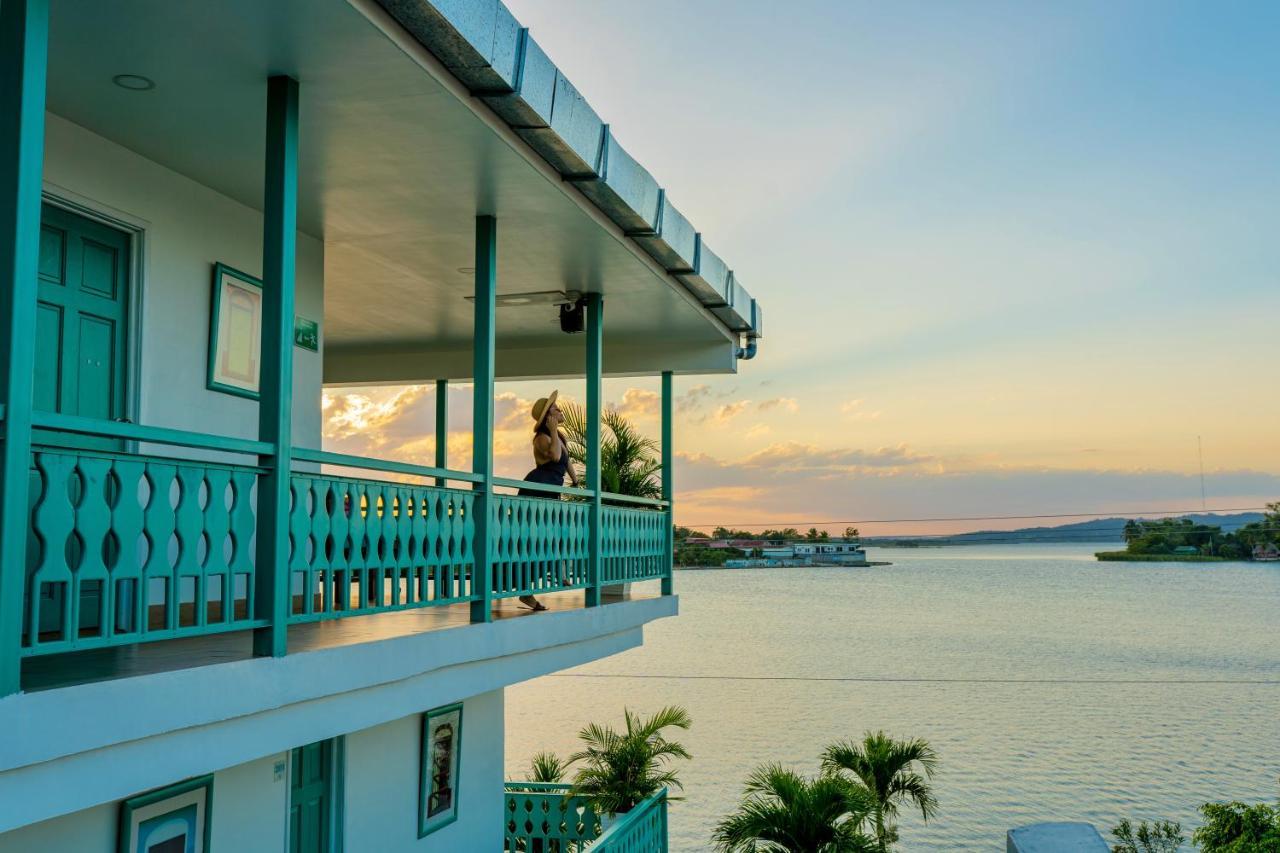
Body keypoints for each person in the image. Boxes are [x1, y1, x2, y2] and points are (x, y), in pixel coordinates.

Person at [516, 391, 580, 611]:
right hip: (538, 490)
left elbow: (565, 459)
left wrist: (576, 480)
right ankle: (527, 590)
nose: (560, 410)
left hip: (552, 490)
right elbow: (553, 457)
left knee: (556, 535)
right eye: (555, 408)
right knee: (535, 541)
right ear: (547, 417)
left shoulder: (559, 436)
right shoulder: (543, 437)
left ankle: (555, 574)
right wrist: (552, 431)